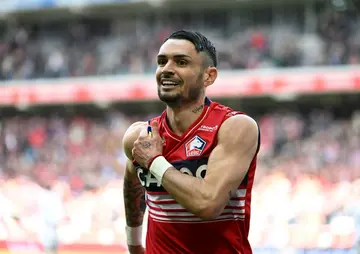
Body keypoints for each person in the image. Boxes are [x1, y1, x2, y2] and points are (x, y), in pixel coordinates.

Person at [122, 30, 260, 254]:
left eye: (181, 62)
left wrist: (155, 161)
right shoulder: (141, 136)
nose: (167, 69)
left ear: (209, 76)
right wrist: (134, 243)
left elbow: (207, 204)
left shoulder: (235, 127)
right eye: (162, 61)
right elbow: (132, 182)